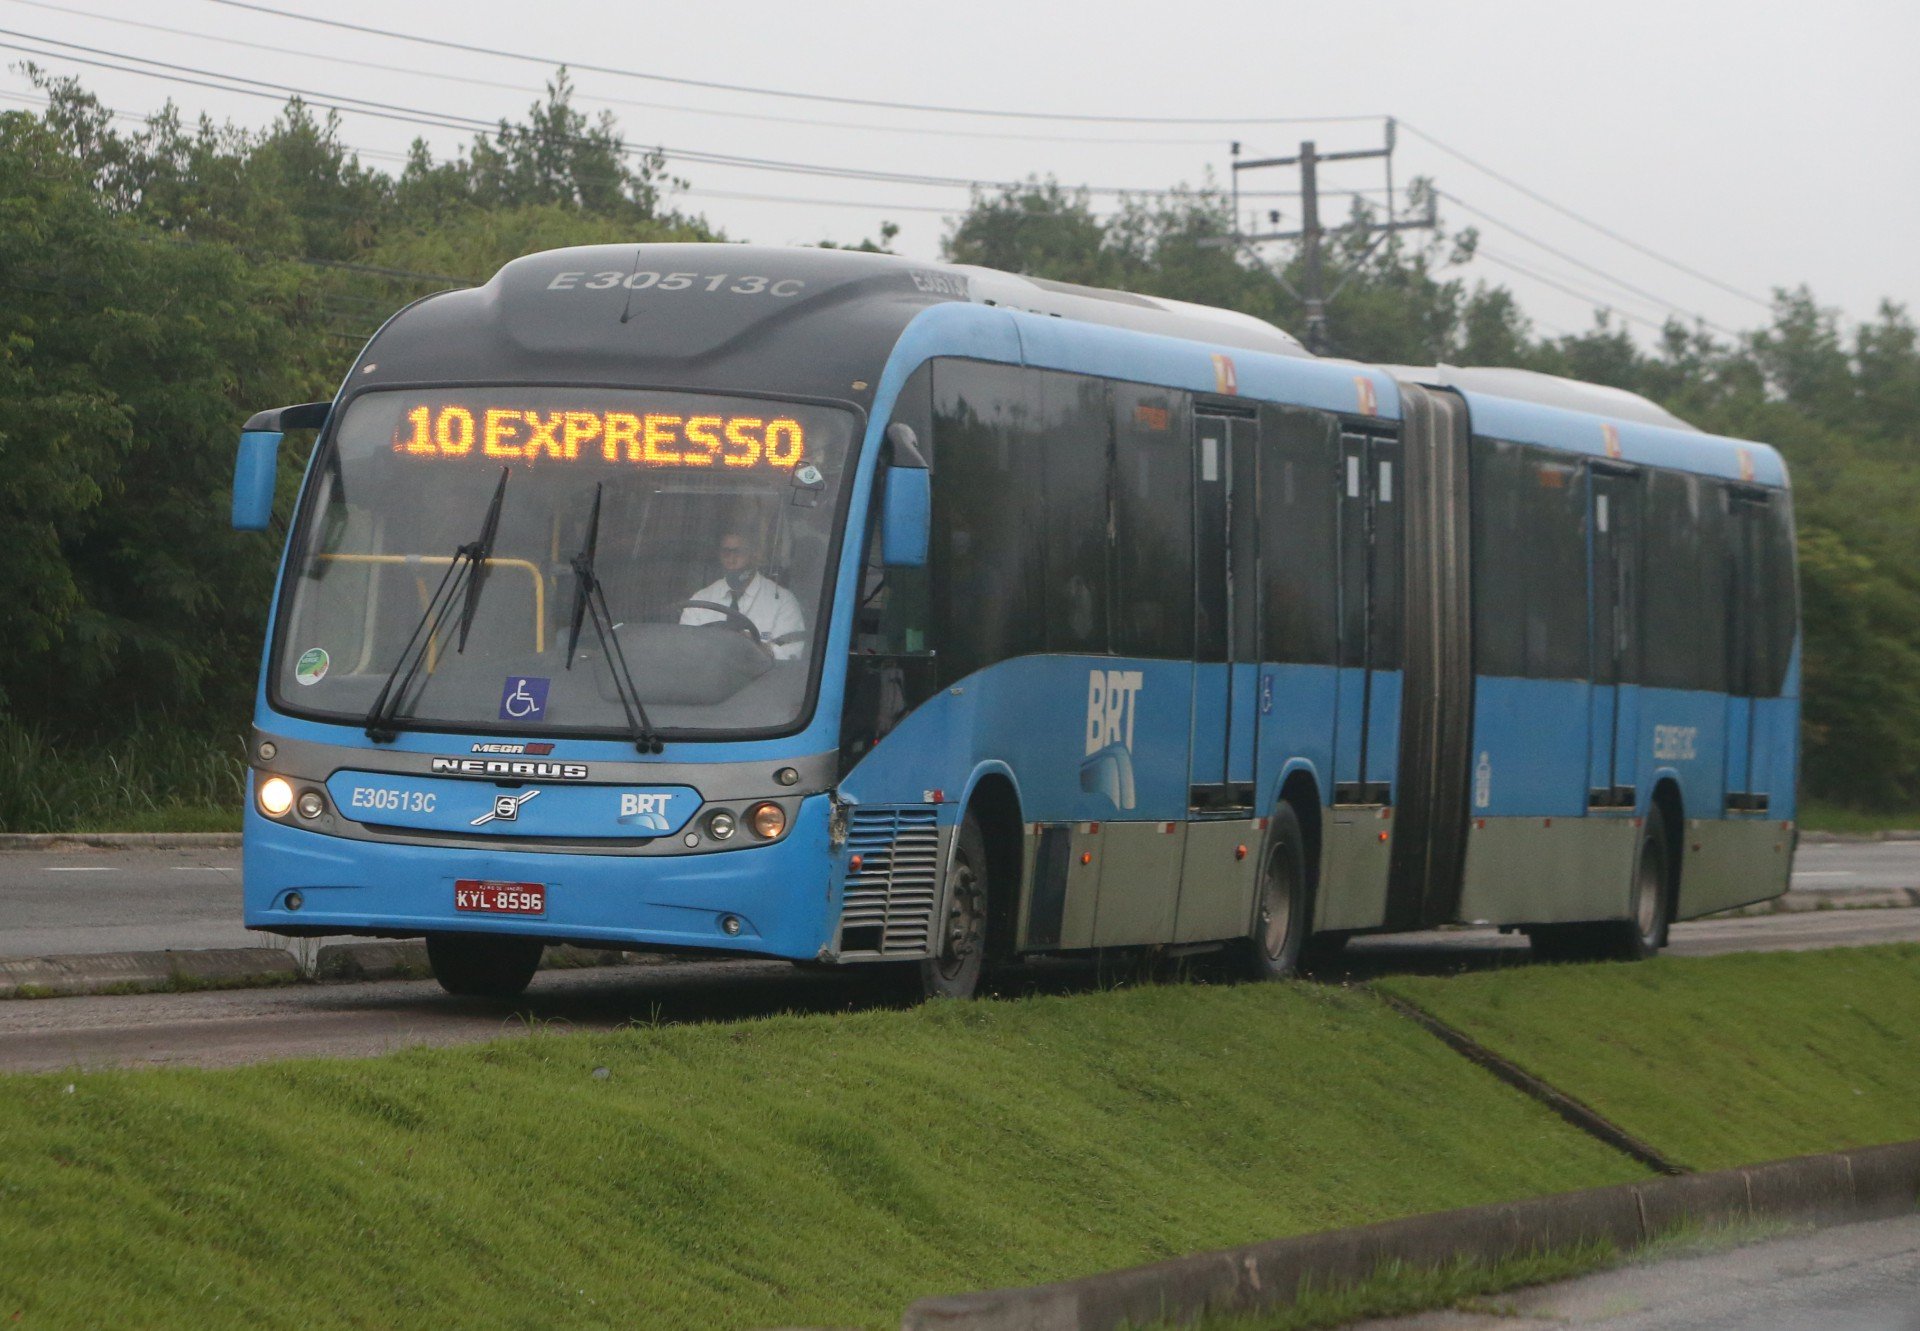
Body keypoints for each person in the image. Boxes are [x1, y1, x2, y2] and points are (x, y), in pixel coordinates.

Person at [681, 530, 807, 660]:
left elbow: (791, 653)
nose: (731, 559)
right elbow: (685, 649)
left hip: (762, 678)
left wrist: (758, 647)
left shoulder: (782, 601)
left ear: (755, 555)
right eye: (726, 552)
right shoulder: (701, 599)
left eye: (738, 552)